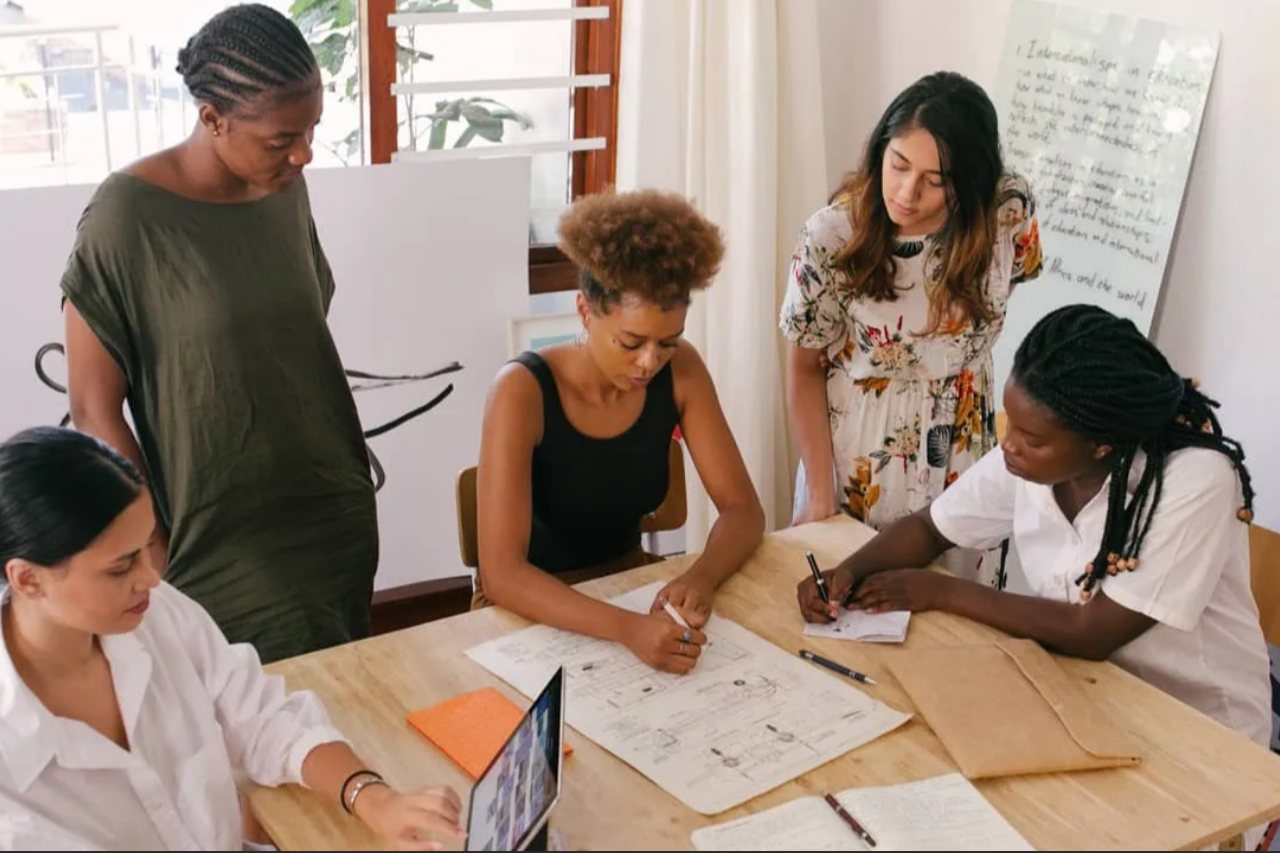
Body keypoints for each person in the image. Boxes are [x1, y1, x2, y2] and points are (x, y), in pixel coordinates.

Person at [797, 305, 1271, 793]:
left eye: (1031, 438)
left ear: (1101, 445)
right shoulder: (1029, 461)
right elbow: (931, 529)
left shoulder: (1195, 480)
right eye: (1011, 426)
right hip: (1088, 696)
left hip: (1204, 737)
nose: (1009, 446)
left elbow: (1092, 632)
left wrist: (939, 591)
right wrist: (845, 573)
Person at [61, 4, 378, 663]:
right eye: (280, 138)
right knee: (246, 725)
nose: (303, 152)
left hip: (330, 508)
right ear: (213, 118)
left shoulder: (284, 187)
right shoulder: (126, 218)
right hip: (217, 534)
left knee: (341, 703)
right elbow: (94, 406)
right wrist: (148, 541)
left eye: (312, 129)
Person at [0, 426, 463, 852]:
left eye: (147, 548)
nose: (152, 578)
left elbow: (263, 718)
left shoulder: (156, 616)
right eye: (121, 567)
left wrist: (370, 797)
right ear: (27, 580)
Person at [475, 189, 765, 674]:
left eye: (667, 343)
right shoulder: (521, 391)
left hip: (628, 588)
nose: (649, 362)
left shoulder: (682, 372)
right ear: (586, 311)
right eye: (630, 342)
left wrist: (701, 577)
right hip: (530, 610)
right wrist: (627, 629)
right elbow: (501, 574)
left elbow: (743, 510)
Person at [781, 71, 1042, 586]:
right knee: (852, 613)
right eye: (898, 164)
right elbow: (802, 368)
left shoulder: (1006, 211)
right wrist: (819, 492)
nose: (906, 191)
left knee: (959, 629)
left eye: (936, 179)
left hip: (966, 450)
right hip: (862, 457)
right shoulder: (833, 236)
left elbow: (1009, 284)